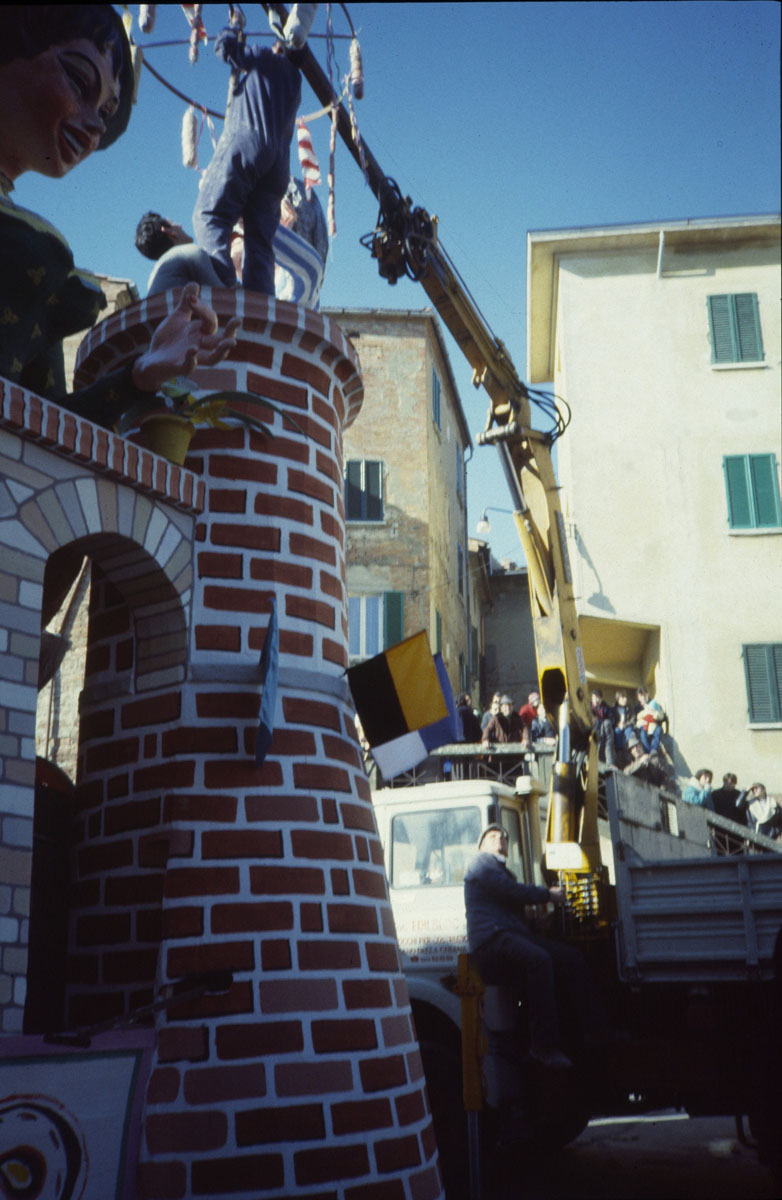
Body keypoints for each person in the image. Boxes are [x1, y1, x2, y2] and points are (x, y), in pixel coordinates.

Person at [0, 7, 238, 430]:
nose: (93, 124)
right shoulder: (31, 253)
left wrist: (141, 375)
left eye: (106, 113)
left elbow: (47, 427)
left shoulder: (48, 270)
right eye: (77, 80)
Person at [464, 825, 603, 1070]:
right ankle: (543, 1046)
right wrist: (548, 894)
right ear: (482, 845)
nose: (501, 841)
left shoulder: (502, 872)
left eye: (505, 838)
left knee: (571, 958)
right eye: (493, 837)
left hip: (508, 935)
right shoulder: (481, 864)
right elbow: (511, 892)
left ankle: (594, 1029)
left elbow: (510, 910)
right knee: (539, 959)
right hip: (491, 941)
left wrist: (536, 923)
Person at [192, 13, 310, 296]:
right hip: (277, 168)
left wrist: (234, 25)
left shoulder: (266, 59)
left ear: (280, 47)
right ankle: (259, 308)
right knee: (259, 244)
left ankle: (222, 290)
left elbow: (225, 48)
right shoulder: (295, 82)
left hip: (249, 145)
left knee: (209, 216)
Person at [136, 175, 327, 307]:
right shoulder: (191, 254)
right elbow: (228, 296)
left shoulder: (165, 272)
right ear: (168, 231)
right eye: (173, 223)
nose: (178, 224)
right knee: (312, 269)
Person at [591, 688, 616, 767]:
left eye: (598, 697)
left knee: (607, 724)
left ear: (601, 699)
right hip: (591, 730)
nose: (596, 700)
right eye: (594, 697)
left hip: (603, 730)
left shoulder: (606, 708)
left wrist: (600, 722)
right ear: (591, 698)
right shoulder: (587, 707)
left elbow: (612, 720)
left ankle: (610, 762)